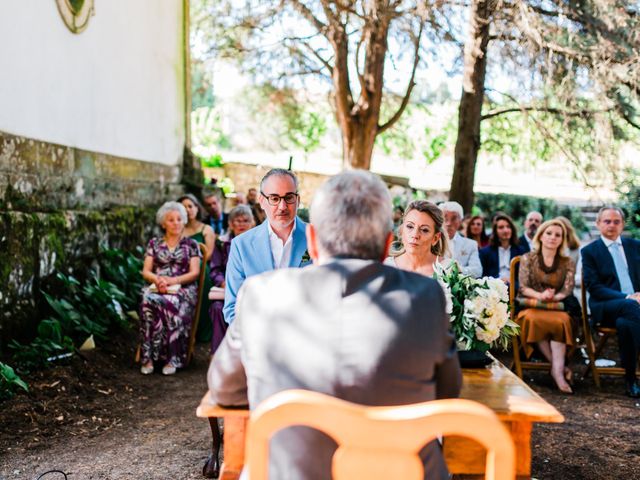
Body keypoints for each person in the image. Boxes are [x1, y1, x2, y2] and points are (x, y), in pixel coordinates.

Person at [207, 170, 462, 480]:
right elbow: (446, 392)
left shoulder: (260, 295)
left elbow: (223, 389)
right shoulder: (425, 297)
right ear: (386, 245)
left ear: (312, 242)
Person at [202, 204, 255, 479]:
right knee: (217, 310)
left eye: (246, 219)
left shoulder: (256, 243)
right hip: (228, 294)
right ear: (232, 224)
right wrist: (224, 283)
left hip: (252, 295)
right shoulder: (224, 245)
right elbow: (216, 270)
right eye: (238, 220)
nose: (243, 223)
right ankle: (223, 352)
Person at [223, 168, 309, 324]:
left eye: (289, 197)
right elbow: (232, 308)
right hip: (257, 339)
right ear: (262, 201)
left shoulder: (319, 238)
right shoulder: (241, 245)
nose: (282, 206)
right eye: (274, 198)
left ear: (297, 200)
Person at [582, 206, 640, 398]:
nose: (612, 225)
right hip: (606, 306)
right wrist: (627, 297)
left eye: (616, 222)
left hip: (633, 309)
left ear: (623, 225)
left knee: (626, 324)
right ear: (598, 224)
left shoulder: (635, 246)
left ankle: (630, 379)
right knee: (630, 307)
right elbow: (594, 287)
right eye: (607, 221)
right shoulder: (590, 251)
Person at [516, 219, 580, 394]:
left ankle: (557, 371)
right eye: (549, 233)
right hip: (532, 305)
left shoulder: (568, 262)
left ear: (562, 239)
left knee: (562, 322)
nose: (553, 237)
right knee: (532, 319)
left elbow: (567, 289)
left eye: (557, 235)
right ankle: (558, 369)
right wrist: (541, 296)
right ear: (541, 236)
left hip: (557, 306)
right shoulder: (528, 258)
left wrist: (554, 297)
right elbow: (522, 287)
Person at [139, 202, 201, 376]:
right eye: (171, 220)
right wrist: (158, 280)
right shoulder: (154, 243)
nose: (176, 223)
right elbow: (146, 271)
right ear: (163, 223)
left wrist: (173, 280)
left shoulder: (191, 245)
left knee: (171, 301)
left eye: (179, 219)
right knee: (146, 300)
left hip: (183, 287)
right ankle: (148, 358)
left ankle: (172, 358)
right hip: (158, 285)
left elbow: (194, 273)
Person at [178, 194, 216, 343]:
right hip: (181, 268)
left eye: (190, 206)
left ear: (197, 208)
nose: (187, 210)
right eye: (183, 207)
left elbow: (209, 254)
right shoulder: (178, 229)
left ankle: (201, 331)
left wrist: (193, 263)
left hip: (201, 268)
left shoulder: (206, 229)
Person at [384, 200, 450, 277]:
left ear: (435, 238)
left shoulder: (448, 270)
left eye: (424, 230)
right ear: (402, 231)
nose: (415, 235)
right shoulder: (386, 266)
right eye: (410, 226)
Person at [438, 201, 482, 278]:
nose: (449, 223)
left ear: (460, 221)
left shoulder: (471, 244)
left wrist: (459, 269)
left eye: (454, 218)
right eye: (445, 218)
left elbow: (477, 271)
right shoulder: (431, 242)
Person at [479, 213, 524, 282]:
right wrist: (498, 281)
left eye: (508, 227)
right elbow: (482, 276)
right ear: (495, 231)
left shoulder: (521, 251)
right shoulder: (485, 252)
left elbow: (523, 276)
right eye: (501, 227)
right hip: (493, 289)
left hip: (515, 289)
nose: (505, 230)